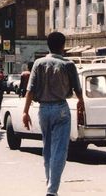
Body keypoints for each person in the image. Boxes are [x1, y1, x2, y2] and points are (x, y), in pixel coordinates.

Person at [23, 32, 84, 196]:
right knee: (60, 150)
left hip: (43, 110)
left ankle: (50, 184)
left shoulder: (38, 63)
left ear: (48, 45)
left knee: (48, 148)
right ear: (63, 46)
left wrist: (25, 112)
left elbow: (30, 90)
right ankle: (52, 190)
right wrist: (81, 102)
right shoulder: (68, 64)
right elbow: (78, 89)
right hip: (61, 109)